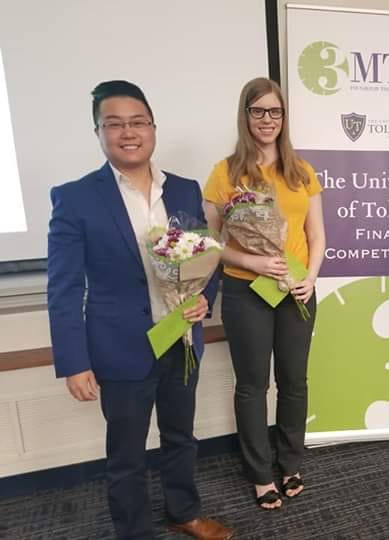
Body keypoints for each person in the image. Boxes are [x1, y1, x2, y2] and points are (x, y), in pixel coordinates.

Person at [47, 80, 233, 539]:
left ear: (152, 128)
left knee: (181, 437)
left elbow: (207, 256)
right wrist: (74, 362)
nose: (127, 133)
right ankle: (134, 532)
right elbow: (64, 287)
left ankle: (183, 511)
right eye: (114, 124)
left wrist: (205, 295)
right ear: (98, 132)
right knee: (127, 454)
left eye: (137, 122)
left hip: (181, 341)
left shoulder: (185, 190)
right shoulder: (76, 198)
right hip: (120, 347)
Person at [203, 77, 325, 510]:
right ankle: (259, 473)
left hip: (296, 291)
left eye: (275, 111)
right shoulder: (225, 173)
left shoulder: (301, 172)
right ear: (245, 116)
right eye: (258, 111)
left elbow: (317, 235)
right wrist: (253, 262)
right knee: (252, 386)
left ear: (284, 117)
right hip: (245, 292)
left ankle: (290, 462)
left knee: (294, 383)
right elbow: (210, 244)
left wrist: (310, 277)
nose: (267, 120)